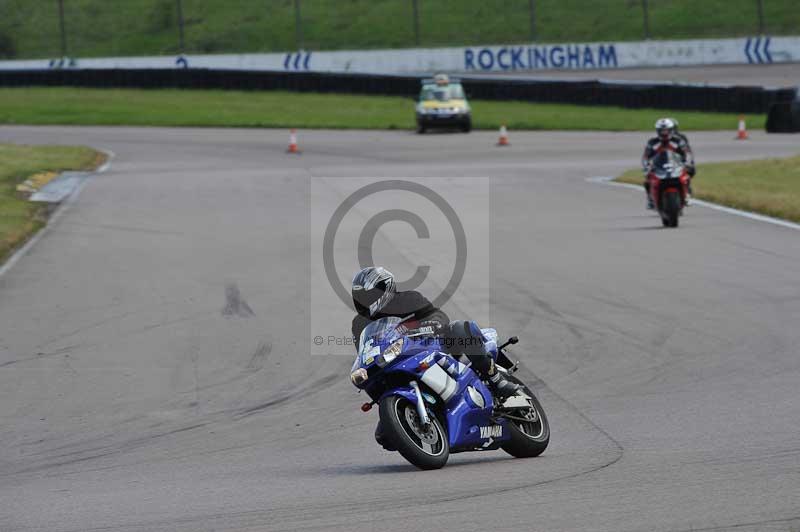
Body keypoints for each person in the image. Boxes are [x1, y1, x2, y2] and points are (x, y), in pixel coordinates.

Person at [350, 266, 520, 400]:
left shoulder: (408, 299)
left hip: (430, 345)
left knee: (460, 327)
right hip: (395, 361)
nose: (364, 301)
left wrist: (427, 326)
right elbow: (364, 351)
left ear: (384, 288)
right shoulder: (359, 324)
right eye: (360, 297)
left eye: (368, 295)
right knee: (383, 434)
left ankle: (496, 380)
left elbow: (439, 317)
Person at [641, 118, 695, 209]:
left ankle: (687, 195)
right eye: (662, 131)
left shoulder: (678, 141)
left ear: (671, 130)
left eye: (666, 130)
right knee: (647, 179)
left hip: (676, 165)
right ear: (658, 131)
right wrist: (646, 165)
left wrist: (688, 163)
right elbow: (646, 156)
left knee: (688, 175)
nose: (664, 133)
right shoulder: (652, 142)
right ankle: (650, 199)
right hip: (659, 166)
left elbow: (687, 153)